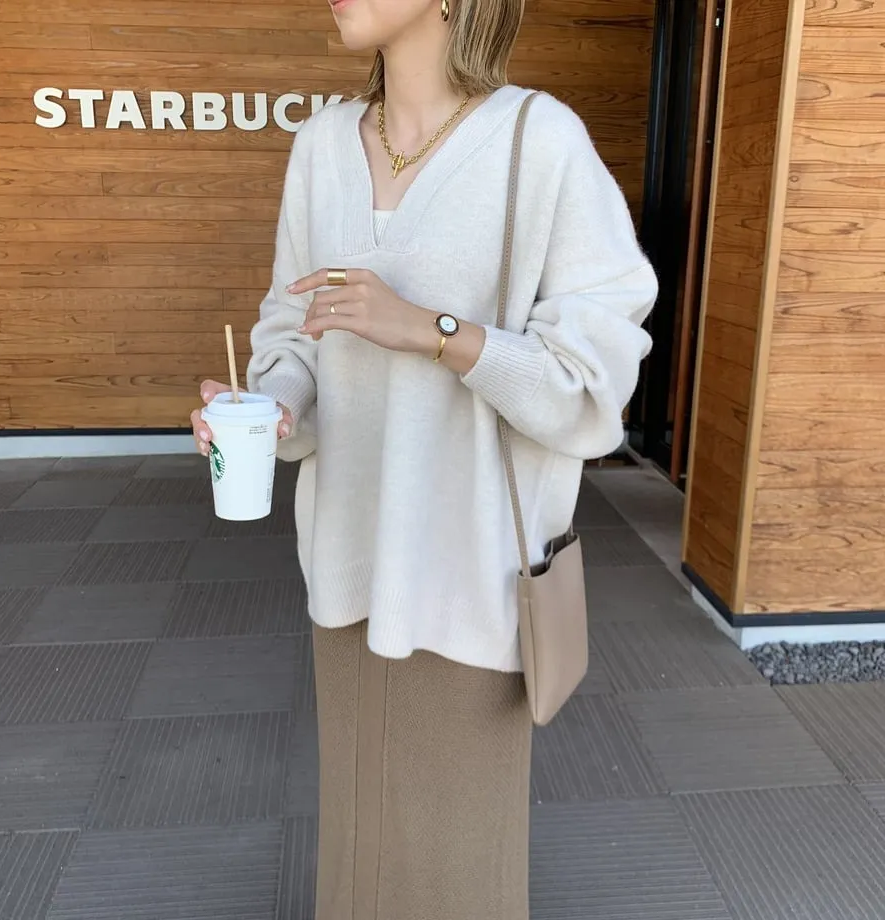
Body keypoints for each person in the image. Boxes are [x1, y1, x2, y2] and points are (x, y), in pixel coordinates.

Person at [190, 0, 658, 916]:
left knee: (453, 872)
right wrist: (271, 403)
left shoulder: (538, 142)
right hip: (347, 565)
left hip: (469, 581)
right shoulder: (321, 146)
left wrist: (432, 331)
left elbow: (593, 386)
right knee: (356, 849)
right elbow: (292, 332)